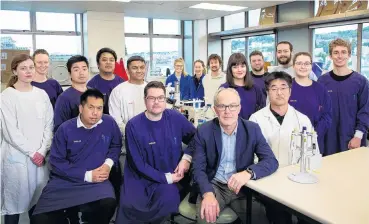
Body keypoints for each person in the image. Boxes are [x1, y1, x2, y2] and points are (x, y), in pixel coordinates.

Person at [31, 89, 122, 224]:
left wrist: (107, 165)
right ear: (81, 108)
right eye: (90, 107)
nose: (95, 113)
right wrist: (86, 175)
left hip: (97, 180)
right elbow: (56, 162)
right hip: (65, 180)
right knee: (40, 219)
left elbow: (115, 145)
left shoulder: (109, 123)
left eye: (99, 108)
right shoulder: (65, 129)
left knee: (108, 203)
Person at [193, 87, 278, 224]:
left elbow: (271, 161)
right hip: (213, 185)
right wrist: (207, 194)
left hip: (241, 187)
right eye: (222, 106)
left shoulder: (252, 129)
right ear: (215, 109)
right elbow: (198, 168)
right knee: (205, 219)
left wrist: (248, 173)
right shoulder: (204, 131)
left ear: (239, 108)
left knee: (261, 220)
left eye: (232, 106)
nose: (227, 111)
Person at [116, 81, 196, 224]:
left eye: (160, 98)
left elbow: (196, 139)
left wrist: (186, 158)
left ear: (165, 99)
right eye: (151, 98)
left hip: (171, 174)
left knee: (168, 199)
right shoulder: (133, 125)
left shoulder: (175, 118)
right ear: (145, 100)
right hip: (140, 178)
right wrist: (165, 178)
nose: (156, 102)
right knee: (130, 205)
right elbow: (137, 163)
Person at [249, 71, 315, 224]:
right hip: (269, 181)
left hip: (298, 179)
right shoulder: (256, 119)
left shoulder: (302, 119)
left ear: (290, 91)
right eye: (274, 88)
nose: (279, 92)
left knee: (307, 218)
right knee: (279, 218)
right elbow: (252, 155)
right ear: (268, 92)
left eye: (283, 87)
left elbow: (312, 152)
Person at [1, 54, 53, 224]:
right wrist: (32, 152)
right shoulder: (7, 96)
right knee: (14, 204)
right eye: (23, 68)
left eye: (31, 67)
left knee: (37, 204)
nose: (28, 71)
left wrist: (42, 150)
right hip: (17, 159)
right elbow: (10, 131)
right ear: (15, 71)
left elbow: (48, 125)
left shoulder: (42, 94)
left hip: (40, 158)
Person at [318, 38, 369, 156]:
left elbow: (365, 111)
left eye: (343, 52)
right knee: (328, 171)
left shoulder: (361, 82)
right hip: (328, 139)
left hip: (352, 138)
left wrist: (358, 136)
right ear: (330, 56)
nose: (339, 56)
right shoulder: (322, 81)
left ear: (349, 55)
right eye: (336, 52)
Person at [108, 56, 148, 203]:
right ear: (128, 70)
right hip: (127, 147)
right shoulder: (119, 91)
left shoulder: (151, 89)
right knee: (130, 185)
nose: (139, 71)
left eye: (142, 67)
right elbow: (115, 121)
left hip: (151, 145)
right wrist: (136, 136)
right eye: (135, 67)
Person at [289, 52, 332, 155]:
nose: (303, 66)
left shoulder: (320, 89)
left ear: (311, 66)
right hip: (290, 140)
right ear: (294, 66)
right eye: (299, 63)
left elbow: (327, 115)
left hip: (314, 140)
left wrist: (313, 134)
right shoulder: (286, 87)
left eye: (306, 63)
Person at [220, 53, 265, 120]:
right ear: (230, 69)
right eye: (235, 67)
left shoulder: (255, 88)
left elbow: (262, 111)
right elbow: (220, 112)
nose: (239, 70)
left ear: (246, 67)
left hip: (251, 127)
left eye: (242, 66)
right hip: (230, 128)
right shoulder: (224, 89)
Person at [53, 55, 89, 133]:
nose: (81, 73)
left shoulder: (94, 93)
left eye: (84, 69)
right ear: (70, 74)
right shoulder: (64, 98)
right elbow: (59, 128)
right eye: (76, 70)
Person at [87, 47, 124, 114]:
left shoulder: (122, 82)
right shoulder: (91, 85)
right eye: (104, 60)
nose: (108, 62)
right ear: (98, 64)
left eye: (111, 60)